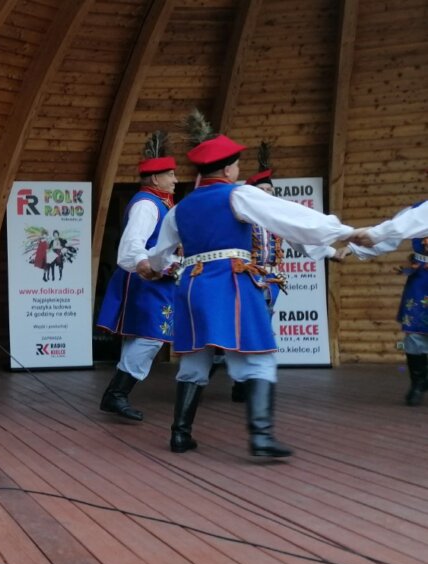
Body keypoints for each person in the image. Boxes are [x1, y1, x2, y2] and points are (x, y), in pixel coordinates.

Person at [148, 112, 354, 457]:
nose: (238, 171)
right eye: (237, 166)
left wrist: (151, 268)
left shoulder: (179, 209)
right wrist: (341, 232)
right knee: (258, 358)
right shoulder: (239, 195)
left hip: (192, 287)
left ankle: (180, 434)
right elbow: (292, 218)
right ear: (228, 169)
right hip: (229, 282)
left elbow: (159, 255)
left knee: (194, 362)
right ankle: (260, 437)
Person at [219, 142, 338, 403]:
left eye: (270, 191)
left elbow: (300, 238)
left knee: (261, 328)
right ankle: (246, 382)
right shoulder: (241, 216)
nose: (267, 196)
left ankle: (252, 382)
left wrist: (330, 252)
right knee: (247, 329)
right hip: (245, 278)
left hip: (271, 281)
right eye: (262, 191)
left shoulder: (276, 220)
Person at [95, 131, 179, 422]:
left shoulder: (159, 203)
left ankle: (116, 394)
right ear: (155, 179)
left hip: (153, 280)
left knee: (143, 337)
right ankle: (116, 394)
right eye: (170, 175)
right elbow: (131, 247)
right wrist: (148, 267)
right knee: (152, 337)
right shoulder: (147, 205)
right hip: (145, 281)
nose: (175, 180)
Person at [346, 200, 428, 405]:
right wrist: (351, 250)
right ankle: (418, 382)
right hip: (421, 282)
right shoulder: (415, 212)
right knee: (415, 332)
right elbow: (388, 235)